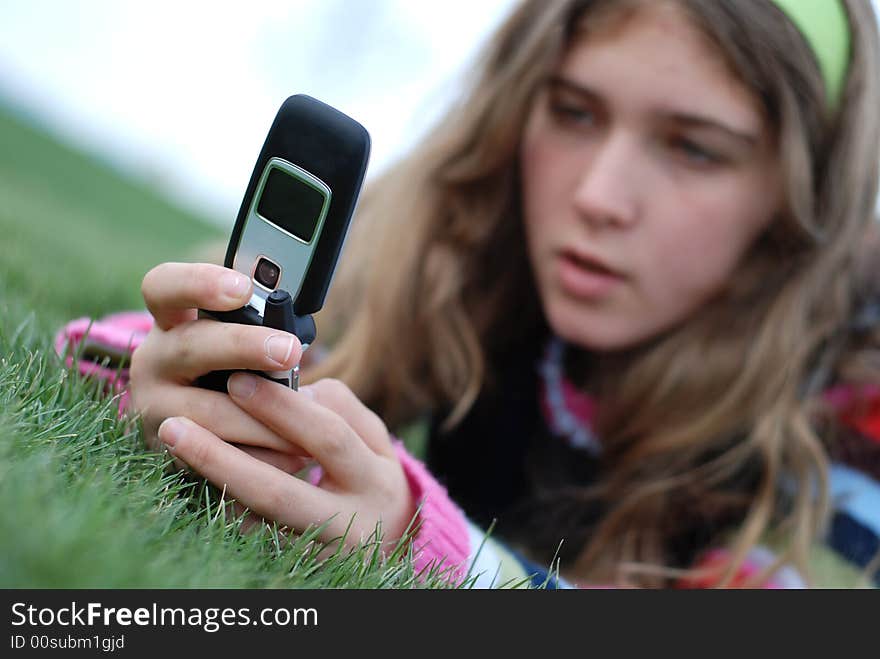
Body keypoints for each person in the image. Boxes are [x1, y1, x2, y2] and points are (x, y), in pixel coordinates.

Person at [57, 0, 880, 588]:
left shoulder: (853, 424)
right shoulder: (473, 237)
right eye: (573, 111)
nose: (598, 193)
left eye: (695, 149)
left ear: (799, 200)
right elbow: (107, 352)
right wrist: (183, 374)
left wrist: (430, 545)